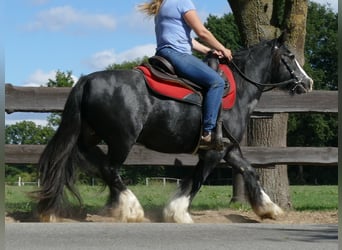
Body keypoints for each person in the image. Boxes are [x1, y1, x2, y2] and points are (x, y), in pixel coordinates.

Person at [139, 0, 233, 149]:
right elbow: (202, 32)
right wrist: (223, 49)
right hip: (177, 55)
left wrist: (208, 51)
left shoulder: (164, 4)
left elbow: (187, 39)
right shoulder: (183, 2)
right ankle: (207, 133)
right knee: (217, 82)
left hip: (164, 53)